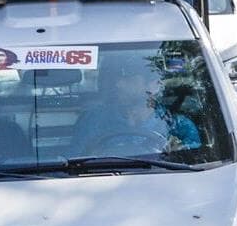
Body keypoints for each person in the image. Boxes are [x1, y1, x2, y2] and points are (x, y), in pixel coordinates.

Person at [71, 61, 200, 157]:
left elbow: (195, 164)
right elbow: (74, 161)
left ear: (154, 85)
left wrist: (175, 153)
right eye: (117, 78)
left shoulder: (179, 127)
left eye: (128, 78)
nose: (118, 84)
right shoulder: (92, 121)